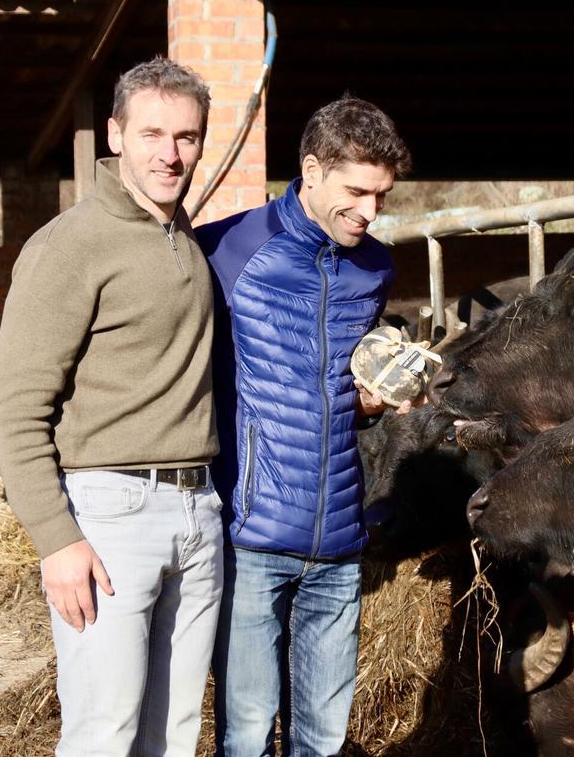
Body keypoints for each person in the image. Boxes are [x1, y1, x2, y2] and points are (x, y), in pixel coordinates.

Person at [0, 57, 223, 756]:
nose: (170, 154)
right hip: (110, 515)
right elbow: (12, 410)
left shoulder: (184, 239)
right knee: (103, 733)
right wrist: (56, 540)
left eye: (186, 136)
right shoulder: (70, 246)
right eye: (152, 134)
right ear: (115, 135)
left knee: (175, 734)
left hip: (198, 507)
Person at [198, 94, 412, 757]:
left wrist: (373, 399)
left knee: (322, 738)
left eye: (381, 196)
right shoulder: (227, 249)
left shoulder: (375, 267)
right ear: (312, 172)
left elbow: (342, 383)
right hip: (252, 534)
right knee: (247, 736)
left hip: (340, 537)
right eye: (357, 192)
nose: (370, 211)